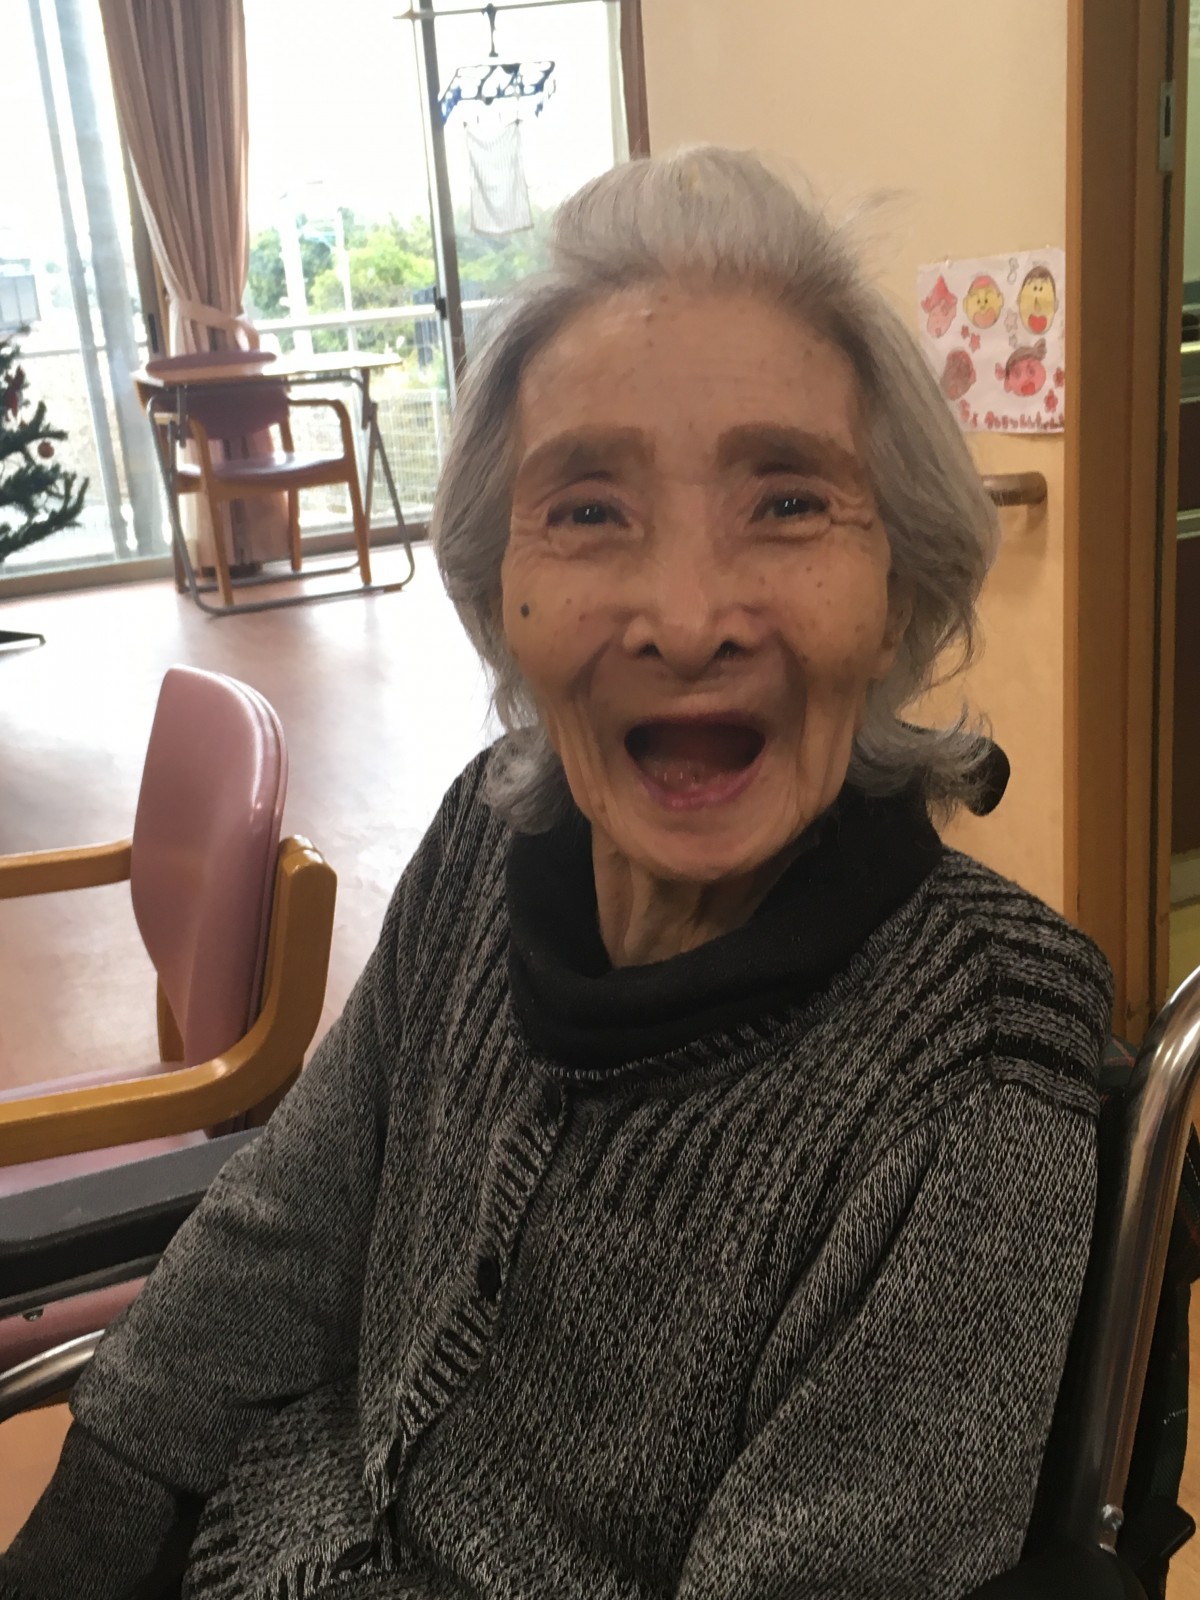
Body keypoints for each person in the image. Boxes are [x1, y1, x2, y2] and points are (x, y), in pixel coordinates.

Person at [0, 146, 1111, 1600]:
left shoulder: (974, 1072)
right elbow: (291, 1221)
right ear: (497, 587)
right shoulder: (490, 837)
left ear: (898, 585)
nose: (689, 619)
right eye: (588, 510)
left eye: (788, 502)